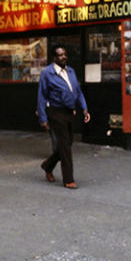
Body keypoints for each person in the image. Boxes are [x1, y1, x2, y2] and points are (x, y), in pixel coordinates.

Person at [37, 45, 90, 189]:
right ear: (54, 58)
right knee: (65, 146)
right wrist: (43, 118)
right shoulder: (47, 73)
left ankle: (48, 166)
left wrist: (84, 108)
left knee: (67, 143)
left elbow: (78, 91)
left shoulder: (70, 71)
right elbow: (41, 96)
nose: (64, 57)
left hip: (69, 111)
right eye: (60, 55)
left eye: (65, 54)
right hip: (55, 112)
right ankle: (68, 179)